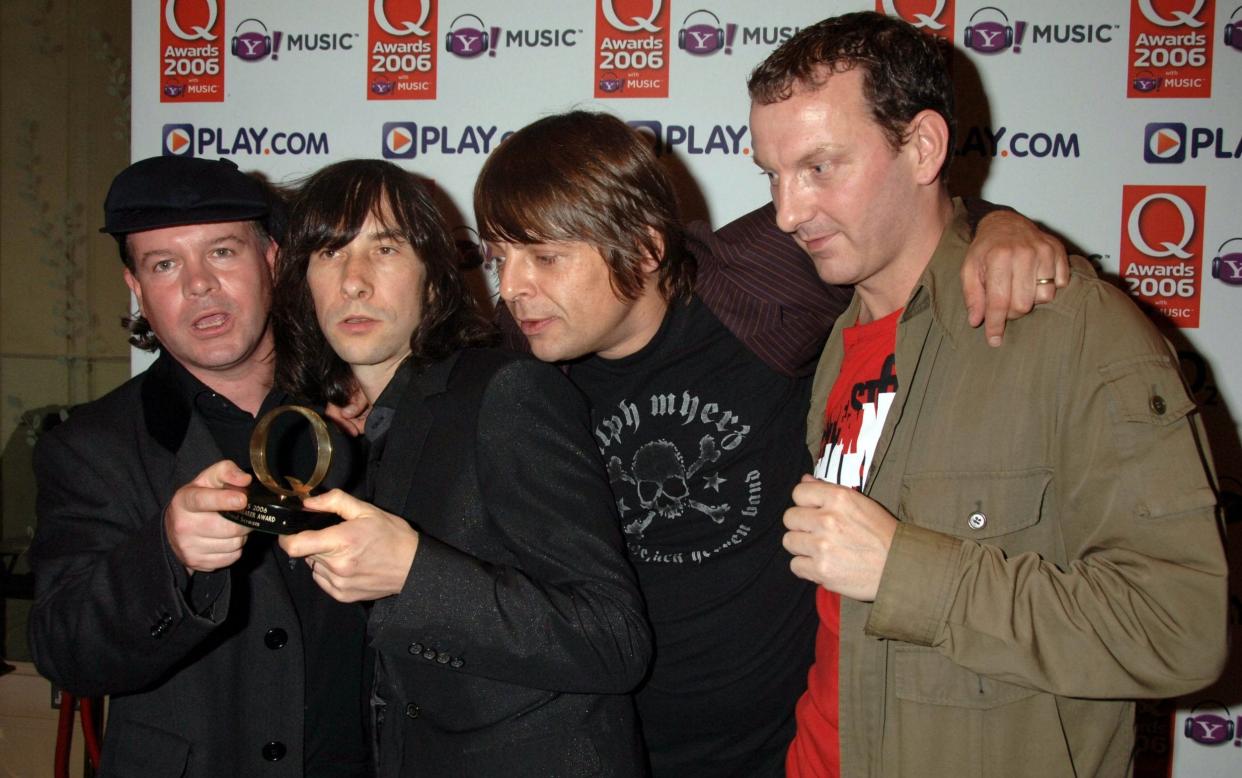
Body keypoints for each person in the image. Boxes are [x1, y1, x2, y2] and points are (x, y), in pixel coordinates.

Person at [473, 111, 1067, 777]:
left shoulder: (756, 286)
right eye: (499, 258)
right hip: (614, 750)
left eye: (545, 257)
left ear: (643, 249)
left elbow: (904, 227)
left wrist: (998, 228)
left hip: (786, 747)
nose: (514, 287)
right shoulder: (519, 365)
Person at [746, 12, 1229, 776]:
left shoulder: (1069, 332)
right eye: (770, 175)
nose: (786, 213)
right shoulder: (837, 334)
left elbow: (1179, 631)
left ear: (925, 147)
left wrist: (908, 571)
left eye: (820, 167)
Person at [270, 159, 651, 777]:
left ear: (433, 278)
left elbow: (613, 640)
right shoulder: (316, 430)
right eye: (329, 253)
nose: (354, 282)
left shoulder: (507, 392)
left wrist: (413, 572)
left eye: (385, 249)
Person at [28, 156, 371, 776]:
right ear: (137, 289)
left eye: (221, 252)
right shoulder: (90, 446)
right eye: (164, 264)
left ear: (272, 259)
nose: (198, 285)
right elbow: (64, 650)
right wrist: (167, 555)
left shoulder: (361, 406)